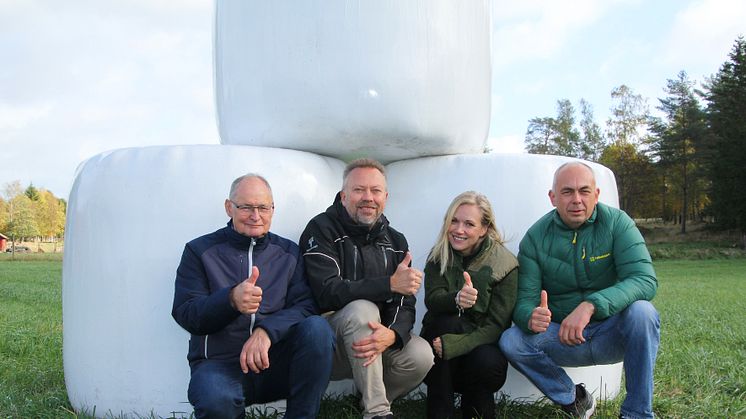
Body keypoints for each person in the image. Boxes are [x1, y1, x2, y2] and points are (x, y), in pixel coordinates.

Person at [499, 161, 660, 419]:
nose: (577, 200)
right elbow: (524, 303)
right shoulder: (535, 238)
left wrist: (590, 305)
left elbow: (644, 280)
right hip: (562, 336)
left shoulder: (618, 223)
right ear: (552, 198)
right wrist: (531, 317)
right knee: (512, 341)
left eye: (584, 191)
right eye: (567, 192)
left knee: (643, 313)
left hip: (613, 333)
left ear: (596, 195)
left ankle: (637, 413)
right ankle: (574, 398)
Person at [172, 174, 335, 419]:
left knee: (318, 329)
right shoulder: (199, 250)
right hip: (220, 365)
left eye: (263, 207)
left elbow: (306, 305)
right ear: (229, 208)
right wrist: (230, 300)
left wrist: (266, 332)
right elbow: (186, 313)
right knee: (215, 401)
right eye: (246, 207)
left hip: (274, 362)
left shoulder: (289, 252)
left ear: (273, 209)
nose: (255, 215)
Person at [300, 158, 434, 419]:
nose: (368, 198)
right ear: (343, 195)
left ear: (385, 196)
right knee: (363, 310)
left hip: (374, 340)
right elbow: (327, 291)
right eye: (359, 190)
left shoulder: (396, 240)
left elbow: (404, 300)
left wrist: (394, 334)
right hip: (330, 345)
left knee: (421, 355)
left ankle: (368, 396)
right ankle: (377, 412)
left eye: (375, 191)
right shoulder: (321, 228)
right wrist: (388, 284)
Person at [420, 191, 518, 419]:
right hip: (438, 354)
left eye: (469, 224)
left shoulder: (505, 264)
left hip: (478, 352)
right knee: (445, 323)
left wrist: (456, 344)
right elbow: (432, 300)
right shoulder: (438, 256)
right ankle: (440, 412)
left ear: (484, 229)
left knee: (486, 361)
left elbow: (496, 326)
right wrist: (456, 299)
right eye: (453, 220)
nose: (458, 229)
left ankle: (473, 409)